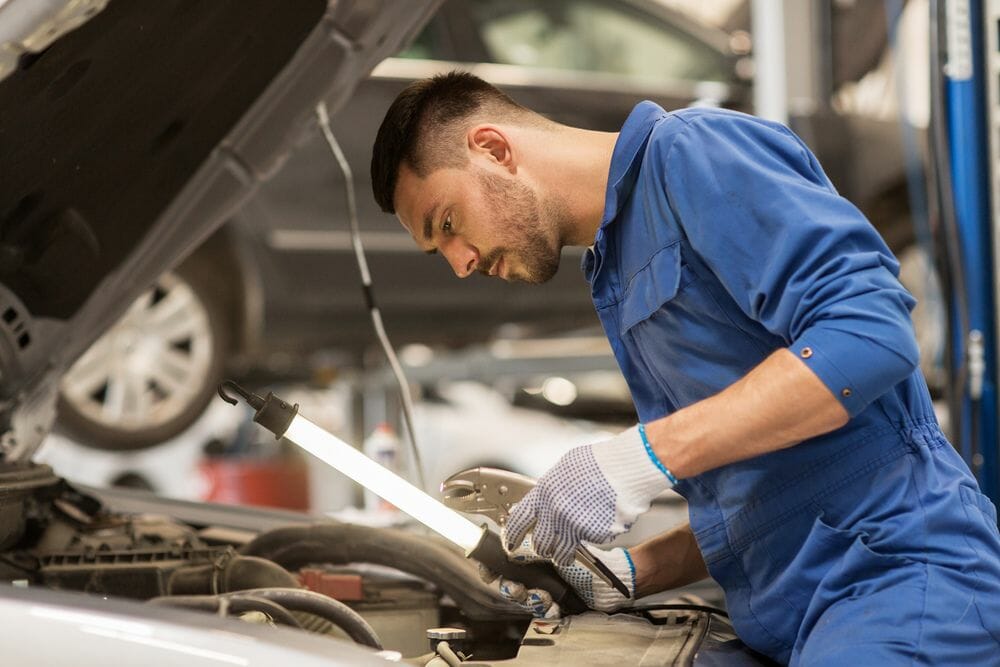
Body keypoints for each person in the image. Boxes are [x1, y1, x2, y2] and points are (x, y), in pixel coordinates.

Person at [370, 71, 1000, 664]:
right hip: (795, 613)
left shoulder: (694, 155)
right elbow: (772, 482)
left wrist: (637, 459)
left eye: (448, 224)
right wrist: (630, 573)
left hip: (899, 582)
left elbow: (869, 338)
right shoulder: (614, 266)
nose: (461, 262)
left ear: (492, 149)